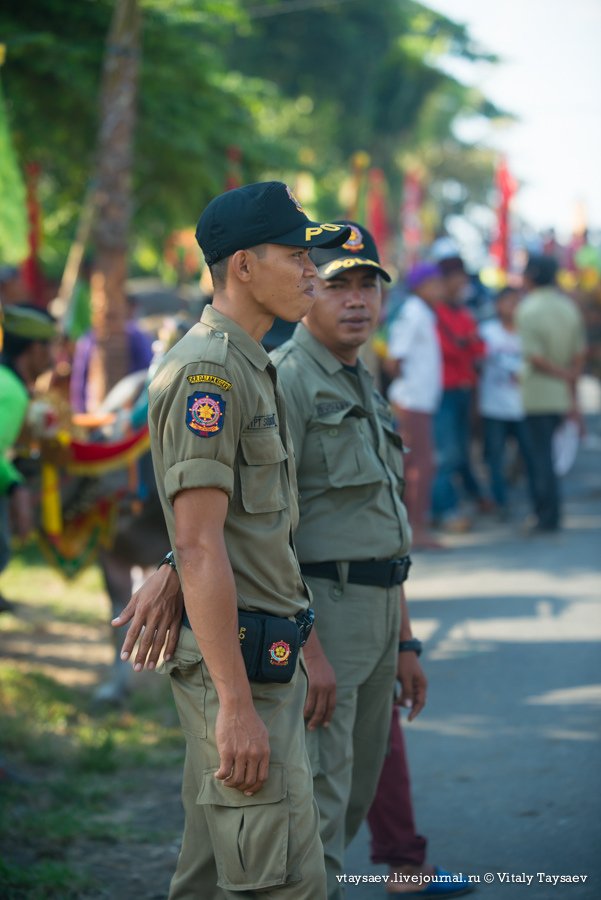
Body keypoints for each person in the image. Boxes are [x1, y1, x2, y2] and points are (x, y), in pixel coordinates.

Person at [114, 222, 471, 898]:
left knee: (248, 847)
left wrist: (403, 637)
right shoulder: (250, 373)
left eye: (367, 283)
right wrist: (180, 570)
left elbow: (346, 520)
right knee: (289, 847)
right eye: (325, 274)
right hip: (302, 624)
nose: (343, 292)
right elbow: (220, 530)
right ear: (245, 266)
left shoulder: (346, 376)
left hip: (354, 610)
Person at [143, 180, 351, 899]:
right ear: (242, 266)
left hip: (266, 656)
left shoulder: (250, 364)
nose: (311, 273)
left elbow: (245, 532)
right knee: (281, 882)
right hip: (238, 672)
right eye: (296, 255)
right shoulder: (210, 371)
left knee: (210, 875)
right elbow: (198, 544)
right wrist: (234, 707)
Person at [516, 254, 587, 533]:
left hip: (536, 394)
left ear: (530, 276)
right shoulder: (568, 308)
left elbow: (534, 357)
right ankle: (552, 513)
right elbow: (579, 354)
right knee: (552, 458)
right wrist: (570, 382)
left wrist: (562, 374)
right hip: (560, 396)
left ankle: (545, 515)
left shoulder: (528, 309)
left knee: (539, 458)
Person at [0, 305, 57, 606]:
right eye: (49, 347)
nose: (53, 357)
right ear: (35, 349)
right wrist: (16, 487)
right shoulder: (11, 391)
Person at [387, 262, 445, 549]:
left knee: (415, 463)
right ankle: (416, 528)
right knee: (421, 464)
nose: (440, 288)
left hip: (419, 399)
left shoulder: (423, 312)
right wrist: (405, 392)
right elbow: (395, 357)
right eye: (434, 283)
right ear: (420, 285)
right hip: (412, 400)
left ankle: (410, 527)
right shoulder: (413, 313)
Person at [431, 255, 488, 532]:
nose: (463, 283)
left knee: (461, 452)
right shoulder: (434, 313)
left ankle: (449, 506)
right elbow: (451, 349)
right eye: (459, 278)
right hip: (443, 392)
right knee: (446, 454)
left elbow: (479, 349)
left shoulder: (463, 312)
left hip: (465, 391)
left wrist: (467, 344)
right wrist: (468, 343)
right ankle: (446, 511)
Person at [478, 287, 537, 518]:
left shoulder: (528, 333)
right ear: (498, 305)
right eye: (508, 302)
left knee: (530, 457)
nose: (512, 307)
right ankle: (500, 501)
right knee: (495, 457)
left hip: (524, 406)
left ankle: (536, 502)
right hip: (493, 406)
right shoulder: (487, 332)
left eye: (517, 302)